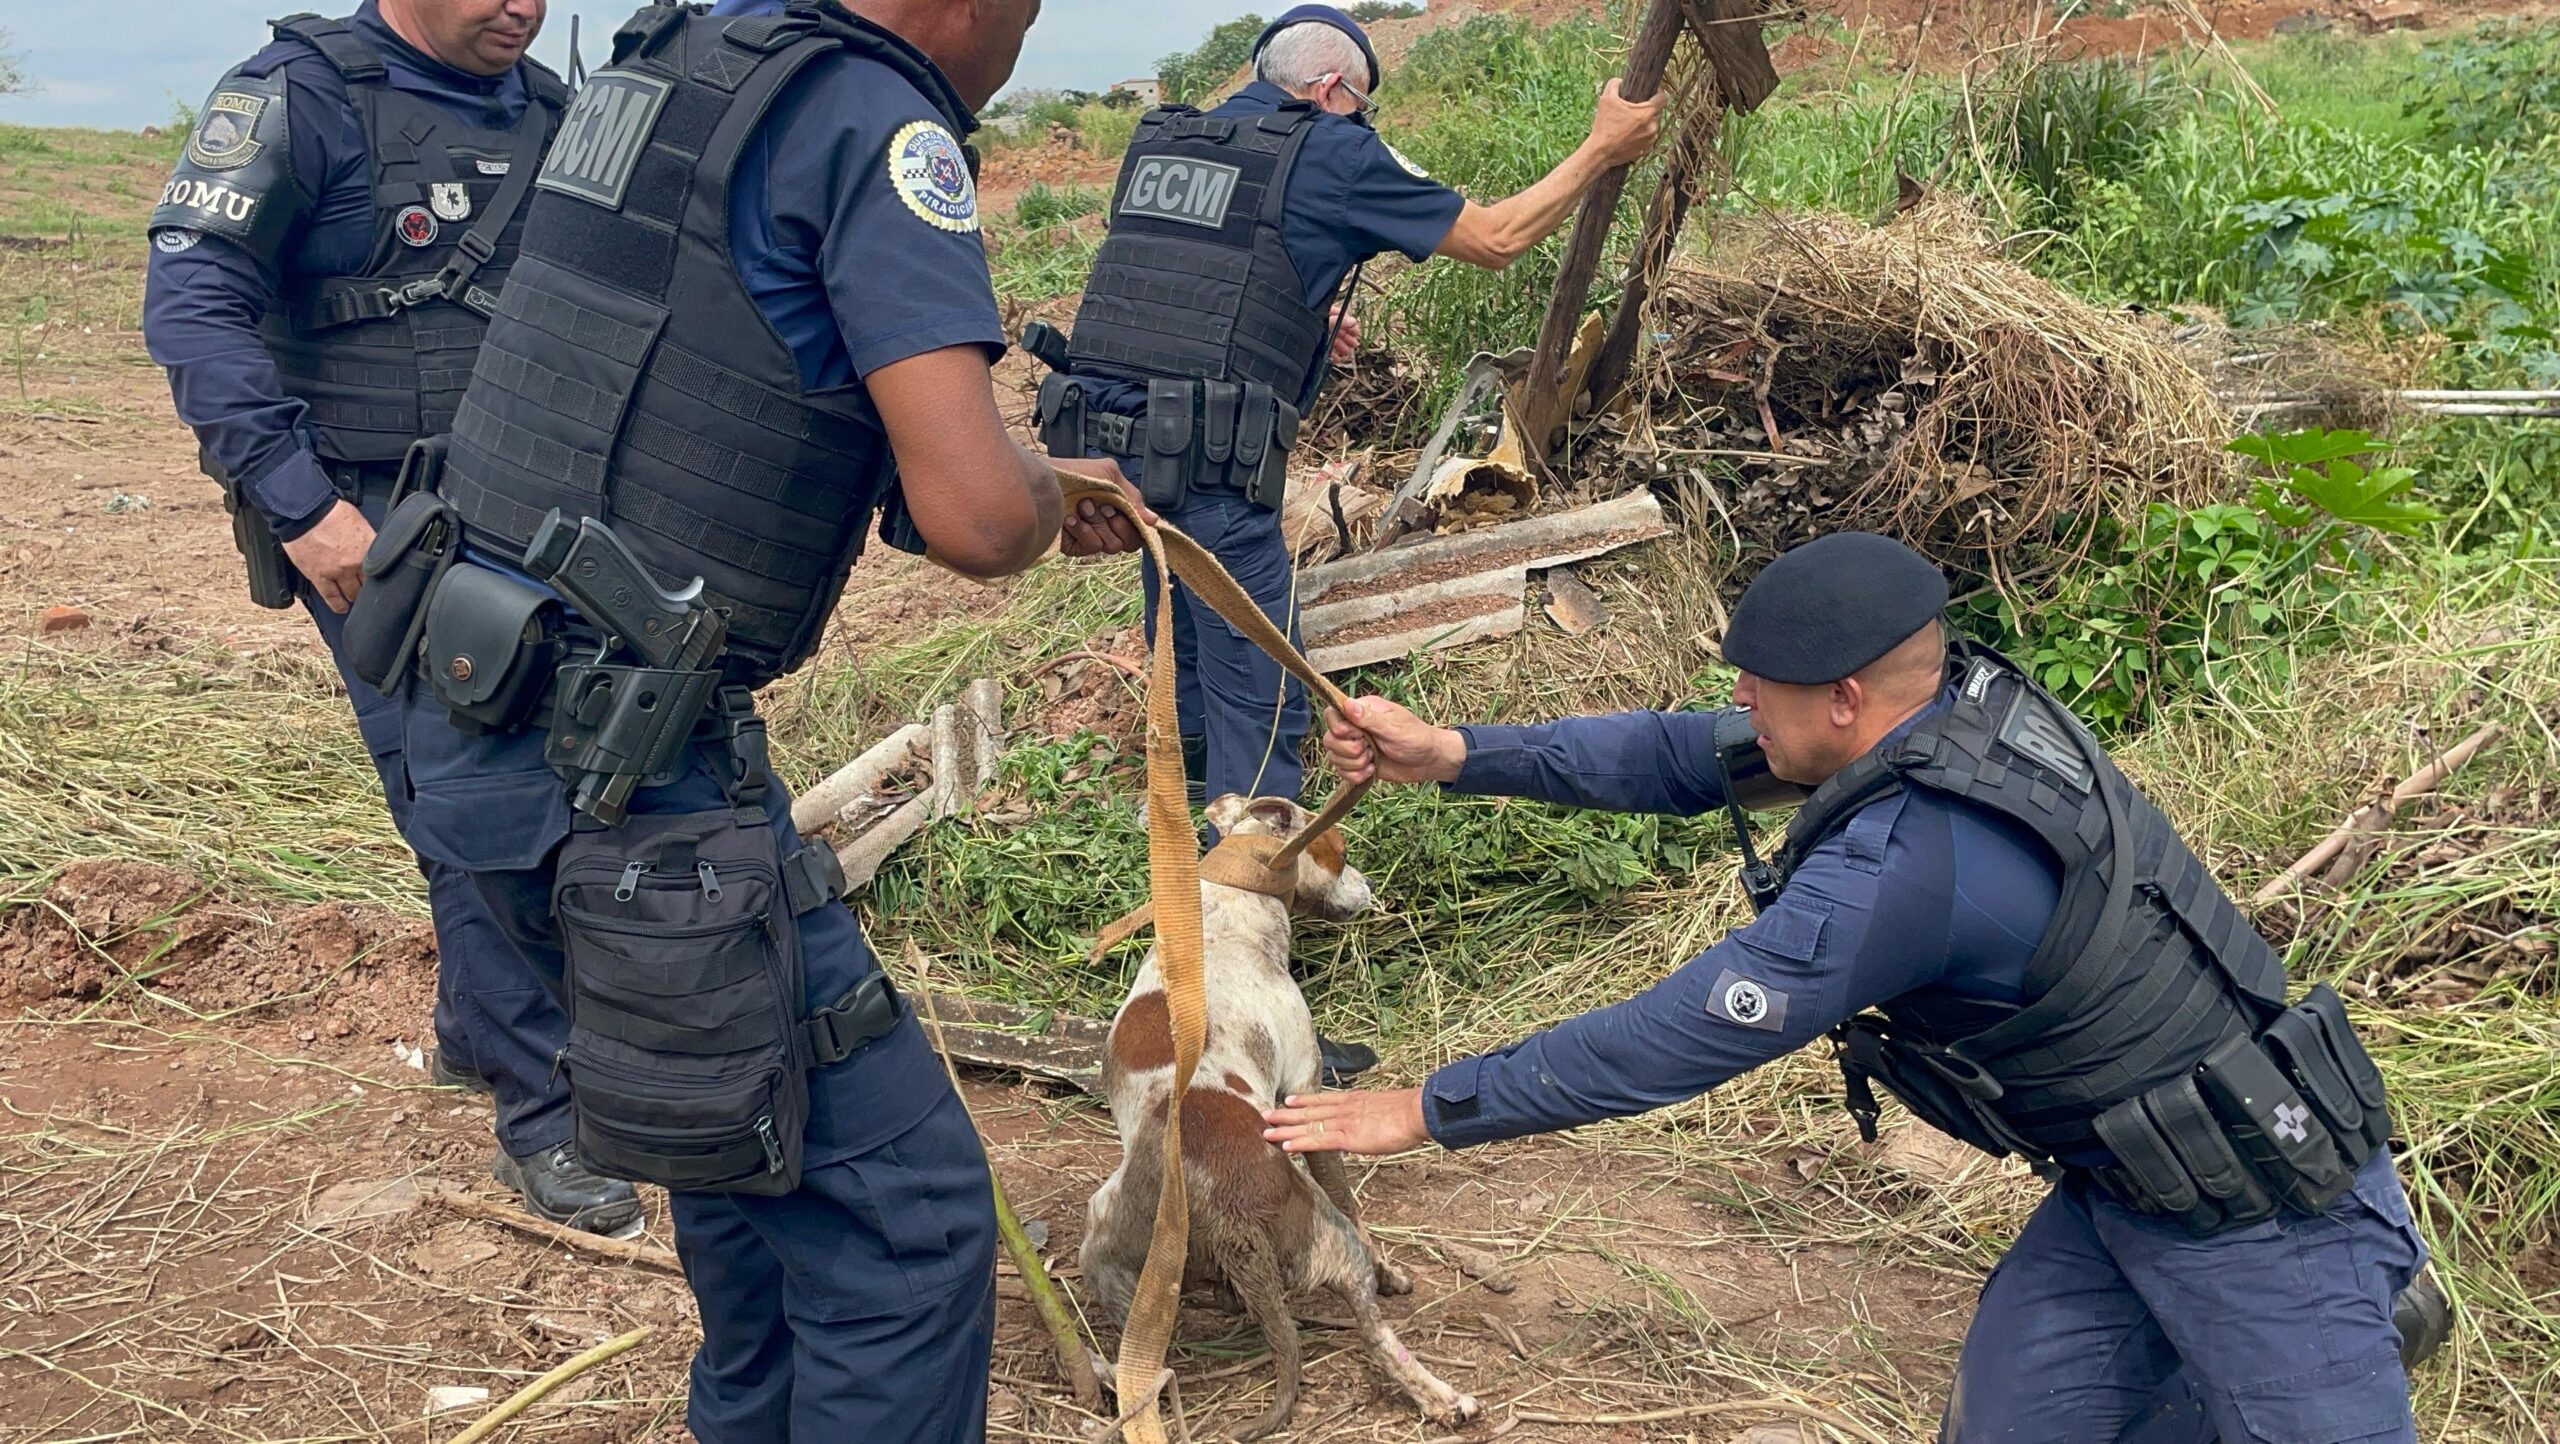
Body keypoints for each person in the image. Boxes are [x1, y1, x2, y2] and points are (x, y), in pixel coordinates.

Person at [1265, 532, 2430, 1443]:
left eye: (1760, 693)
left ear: (1841, 702)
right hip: (2119, 1187)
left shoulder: (1910, 866)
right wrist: (1457, 752)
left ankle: (2358, 1314)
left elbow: (1676, 1035)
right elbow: (1678, 755)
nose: (1744, 715)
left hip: (2270, 1207)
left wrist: (1428, 1108)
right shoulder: (1946, 708)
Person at [403, 0, 1144, 1434]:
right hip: (636, 772)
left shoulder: (671, 62)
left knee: (746, 1172)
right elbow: (985, 523)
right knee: (907, 1222)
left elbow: (709, 381)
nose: (1015, 51)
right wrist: (1045, 490)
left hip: (482, 723)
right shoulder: (875, 118)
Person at [143, 0, 640, 1234]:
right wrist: (304, 508)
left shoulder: (548, 110)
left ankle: (479, 1034)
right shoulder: (299, 95)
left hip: (527, 513)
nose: (520, 6)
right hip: (374, 526)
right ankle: (544, 1116)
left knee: (496, 784)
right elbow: (192, 306)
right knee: (478, 794)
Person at [1036, 3, 1664, 839]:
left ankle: (1185, 815)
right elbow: (1498, 237)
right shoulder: (1332, 147)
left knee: (1183, 636)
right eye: (1360, 106)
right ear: (1329, 88)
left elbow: (1189, 276)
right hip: (1207, 461)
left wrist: (1299, 311)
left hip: (1100, 453)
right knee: (1261, 701)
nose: (1361, 121)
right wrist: (1603, 147)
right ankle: (1244, 887)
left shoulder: (1170, 137)